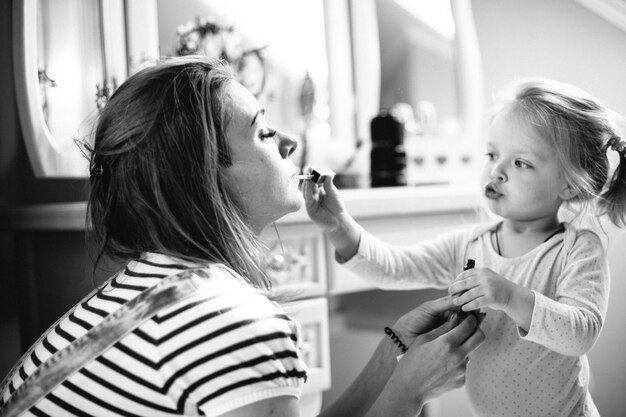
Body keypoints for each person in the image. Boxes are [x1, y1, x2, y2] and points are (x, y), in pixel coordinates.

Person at [0, 56, 485, 417]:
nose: (289, 141)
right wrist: (411, 393)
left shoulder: (159, 291)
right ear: (204, 174)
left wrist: (392, 356)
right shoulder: (231, 326)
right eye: (263, 133)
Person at [304, 78, 626, 416]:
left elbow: (581, 334)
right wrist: (339, 227)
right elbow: (396, 266)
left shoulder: (577, 249)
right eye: (492, 154)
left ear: (570, 186)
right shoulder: (470, 245)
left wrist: (510, 297)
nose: (497, 170)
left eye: (521, 163)